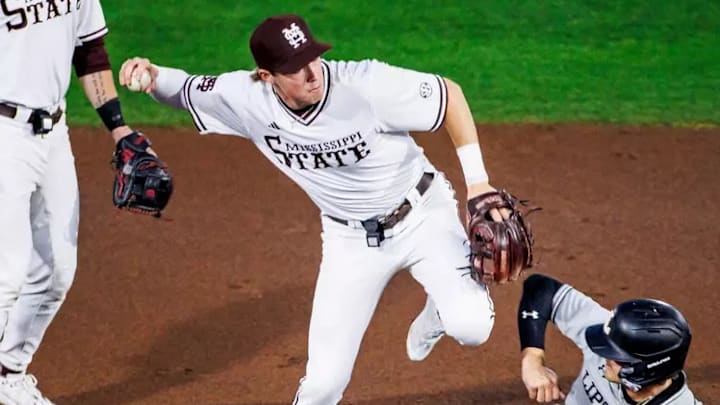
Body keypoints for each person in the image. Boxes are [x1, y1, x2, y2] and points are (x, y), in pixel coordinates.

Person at [119, 14, 518, 404]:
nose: (312, 72)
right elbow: (187, 89)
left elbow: (449, 96)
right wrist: (152, 76)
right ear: (266, 76)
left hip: (423, 215)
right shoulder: (247, 99)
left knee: (472, 326)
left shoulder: (364, 85)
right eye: (295, 68)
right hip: (351, 243)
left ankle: (438, 313)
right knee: (323, 385)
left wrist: (478, 181)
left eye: (312, 57)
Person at [0, 1, 164, 403]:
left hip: (53, 132)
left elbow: (89, 52)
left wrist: (118, 128)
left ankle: (8, 375)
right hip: (3, 134)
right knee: (6, 273)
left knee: (57, 270)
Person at [517, 273, 703, 404]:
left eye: (616, 357)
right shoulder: (615, 336)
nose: (604, 355)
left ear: (645, 371)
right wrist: (532, 358)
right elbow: (541, 288)